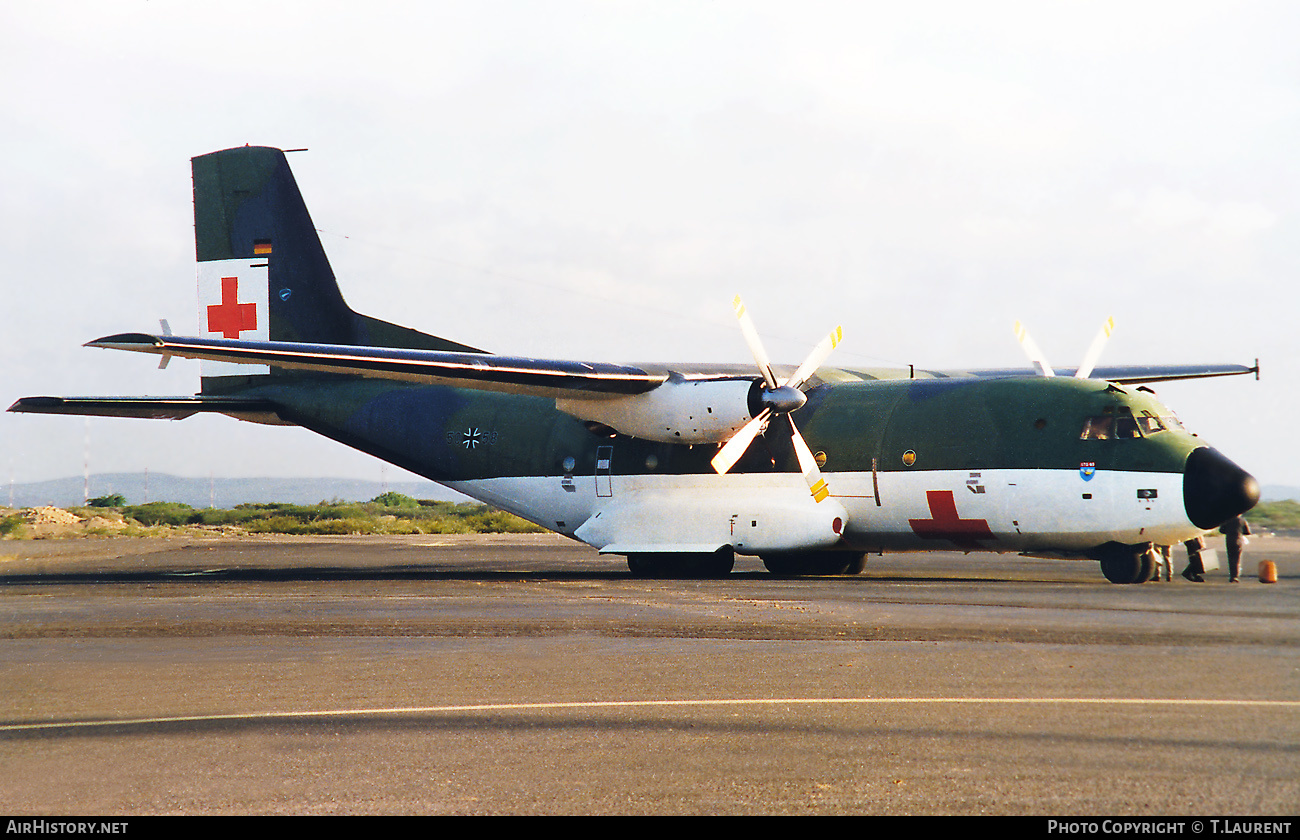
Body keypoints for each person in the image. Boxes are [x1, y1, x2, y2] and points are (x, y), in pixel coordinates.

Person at [1219, 515, 1251, 583]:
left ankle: (1232, 576)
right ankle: (1235, 576)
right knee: (1237, 558)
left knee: (1230, 558)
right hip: (1238, 540)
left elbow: (1221, 530)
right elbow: (1247, 532)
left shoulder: (1227, 520)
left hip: (1229, 540)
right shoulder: (1242, 520)